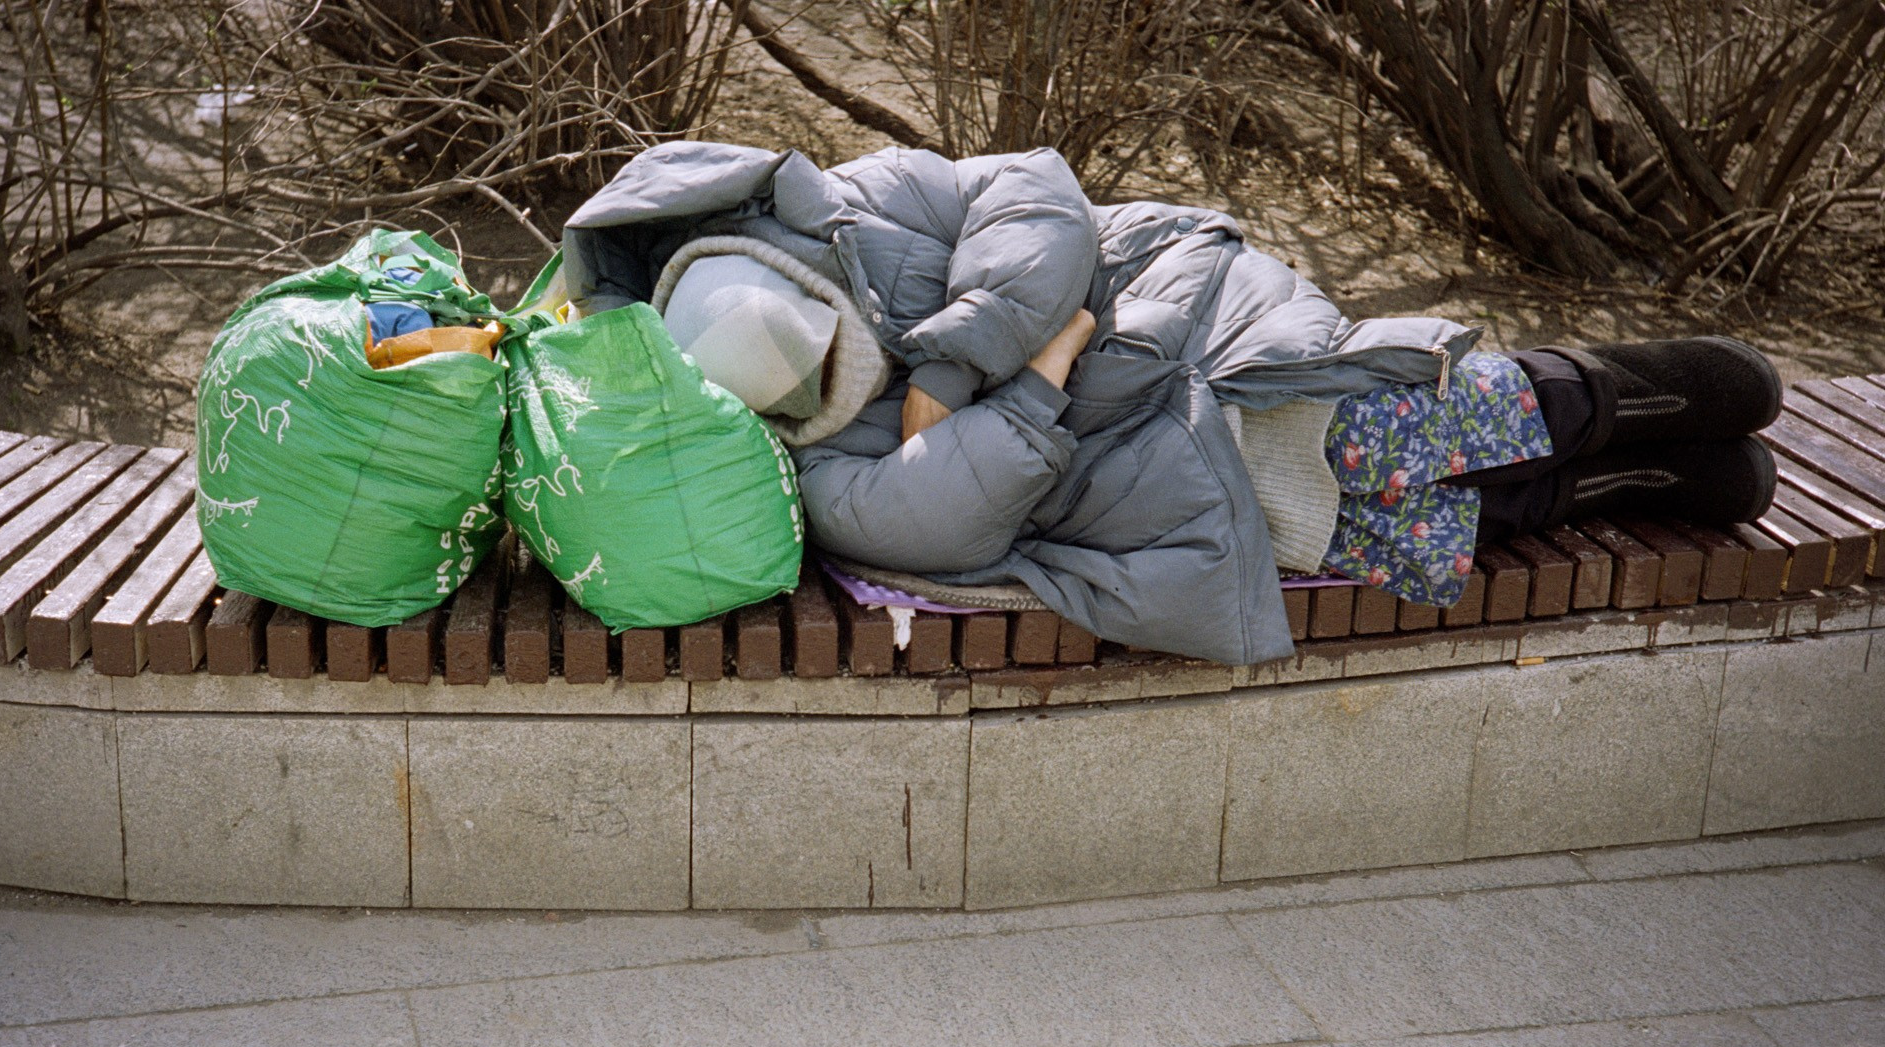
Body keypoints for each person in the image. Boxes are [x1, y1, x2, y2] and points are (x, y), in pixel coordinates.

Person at [558, 142, 1781, 664]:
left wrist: (953, 362)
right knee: (1430, 528)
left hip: (1189, 335)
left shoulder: (859, 206)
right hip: (1168, 473)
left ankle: (1623, 396)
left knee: (1408, 421)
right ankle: (1646, 479)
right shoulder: (784, 457)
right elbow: (935, 524)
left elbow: (1033, 195)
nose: (844, 380)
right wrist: (1041, 374)